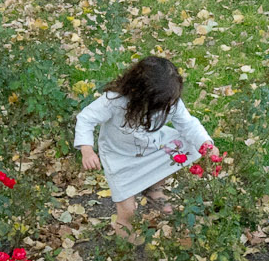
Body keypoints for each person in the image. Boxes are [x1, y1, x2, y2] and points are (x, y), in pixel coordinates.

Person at [74, 56, 219, 234]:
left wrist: (207, 145)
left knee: (190, 144)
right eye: (159, 105)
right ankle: (125, 249)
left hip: (154, 147)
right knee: (128, 212)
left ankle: (154, 188)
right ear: (138, 93)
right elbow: (85, 119)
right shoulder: (115, 101)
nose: (166, 107)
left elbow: (188, 124)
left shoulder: (168, 100)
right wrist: (87, 150)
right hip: (120, 158)